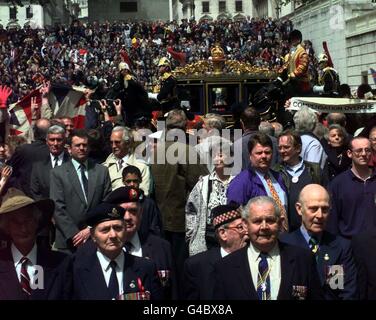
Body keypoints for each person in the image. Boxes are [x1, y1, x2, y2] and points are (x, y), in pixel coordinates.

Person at [213, 196, 323, 300]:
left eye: (270, 221)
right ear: (245, 225)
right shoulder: (225, 267)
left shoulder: (303, 259)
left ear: (280, 224)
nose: (264, 227)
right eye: (257, 221)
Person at [69, 202, 163, 300]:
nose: (113, 235)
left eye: (118, 228)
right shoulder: (77, 270)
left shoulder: (145, 268)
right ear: (93, 236)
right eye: (105, 230)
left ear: (125, 230)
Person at [280, 184, 358, 300]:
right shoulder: (284, 245)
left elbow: (347, 292)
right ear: (299, 209)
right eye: (313, 209)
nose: (320, 215)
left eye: (325, 209)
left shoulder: (341, 247)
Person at [50, 129, 112, 253]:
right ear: (69, 149)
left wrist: (91, 229)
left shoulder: (101, 171)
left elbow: (107, 203)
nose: (82, 148)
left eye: (85, 145)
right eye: (78, 145)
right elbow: (57, 207)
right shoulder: (58, 173)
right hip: (68, 242)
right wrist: (75, 235)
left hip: (96, 238)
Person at [0, 188, 68, 299]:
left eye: (28, 220)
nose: (23, 228)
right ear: (6, 226)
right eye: (16, 222)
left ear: (37, 221)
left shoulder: (61, 263)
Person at [183, 204, 249, 300]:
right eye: (240, 227)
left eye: (247, 227)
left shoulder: (256, 261)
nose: (247, 232)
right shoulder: (197, 266)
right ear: (223, 234)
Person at [226, 133, 288, 231]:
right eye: (259, 153)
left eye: (267, 152)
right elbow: (234, 219)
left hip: (283, 239)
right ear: (250, 156)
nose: (264, 156)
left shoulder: (278, 177)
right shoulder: (241, 182)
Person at [186, 141, 235, 256]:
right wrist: (191, 233)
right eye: (214, 156)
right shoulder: (203, 183)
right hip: (208, 237)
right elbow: (191, 209)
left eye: (221, 155)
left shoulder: (238, 181)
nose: (217, 159)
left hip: (232, 237)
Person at [273, 130, 324, 231]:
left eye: (286, 147)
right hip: (286, 232)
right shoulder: (275, 172)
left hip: (312, 229)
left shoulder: (314, 171)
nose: (282, 151)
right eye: (280, 148)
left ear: (298, 148)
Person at [327, 137, 376, 237]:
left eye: (367, 150)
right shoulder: (338, 184)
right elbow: (332, 220)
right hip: (349, 245)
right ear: (349, 153)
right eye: (358, 150)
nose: (363, 154)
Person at [103, 126, 151, 195]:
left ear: (128, 143)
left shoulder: (142, 167)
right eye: (111, 142)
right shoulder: (104, 168)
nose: (113, 146)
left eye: (117, 142)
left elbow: (144, 194)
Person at [30, 125, 70, 201]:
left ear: (64, 141)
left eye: (59, 140)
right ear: (47, 142)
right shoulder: (38, 166)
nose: (55, 143)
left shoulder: (73, 163)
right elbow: (35, 192)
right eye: (52, 140)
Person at [120, 165, 162, 237]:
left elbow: (155, 228)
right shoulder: (118, 203)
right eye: (128, 181)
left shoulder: (149, 204)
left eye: (135, 181)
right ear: (123, 181)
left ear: (140, 180)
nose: (132, 184)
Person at [278, 29, 311, 97]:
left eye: (294, 39)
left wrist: (293, 74)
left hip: (301, 83)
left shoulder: (302, 52)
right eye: (292, 39)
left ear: (298, 40)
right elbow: (286, 65)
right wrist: (280, 73)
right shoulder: (290, 53)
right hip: (292, 81)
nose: (292, 41)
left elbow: (303, 66)